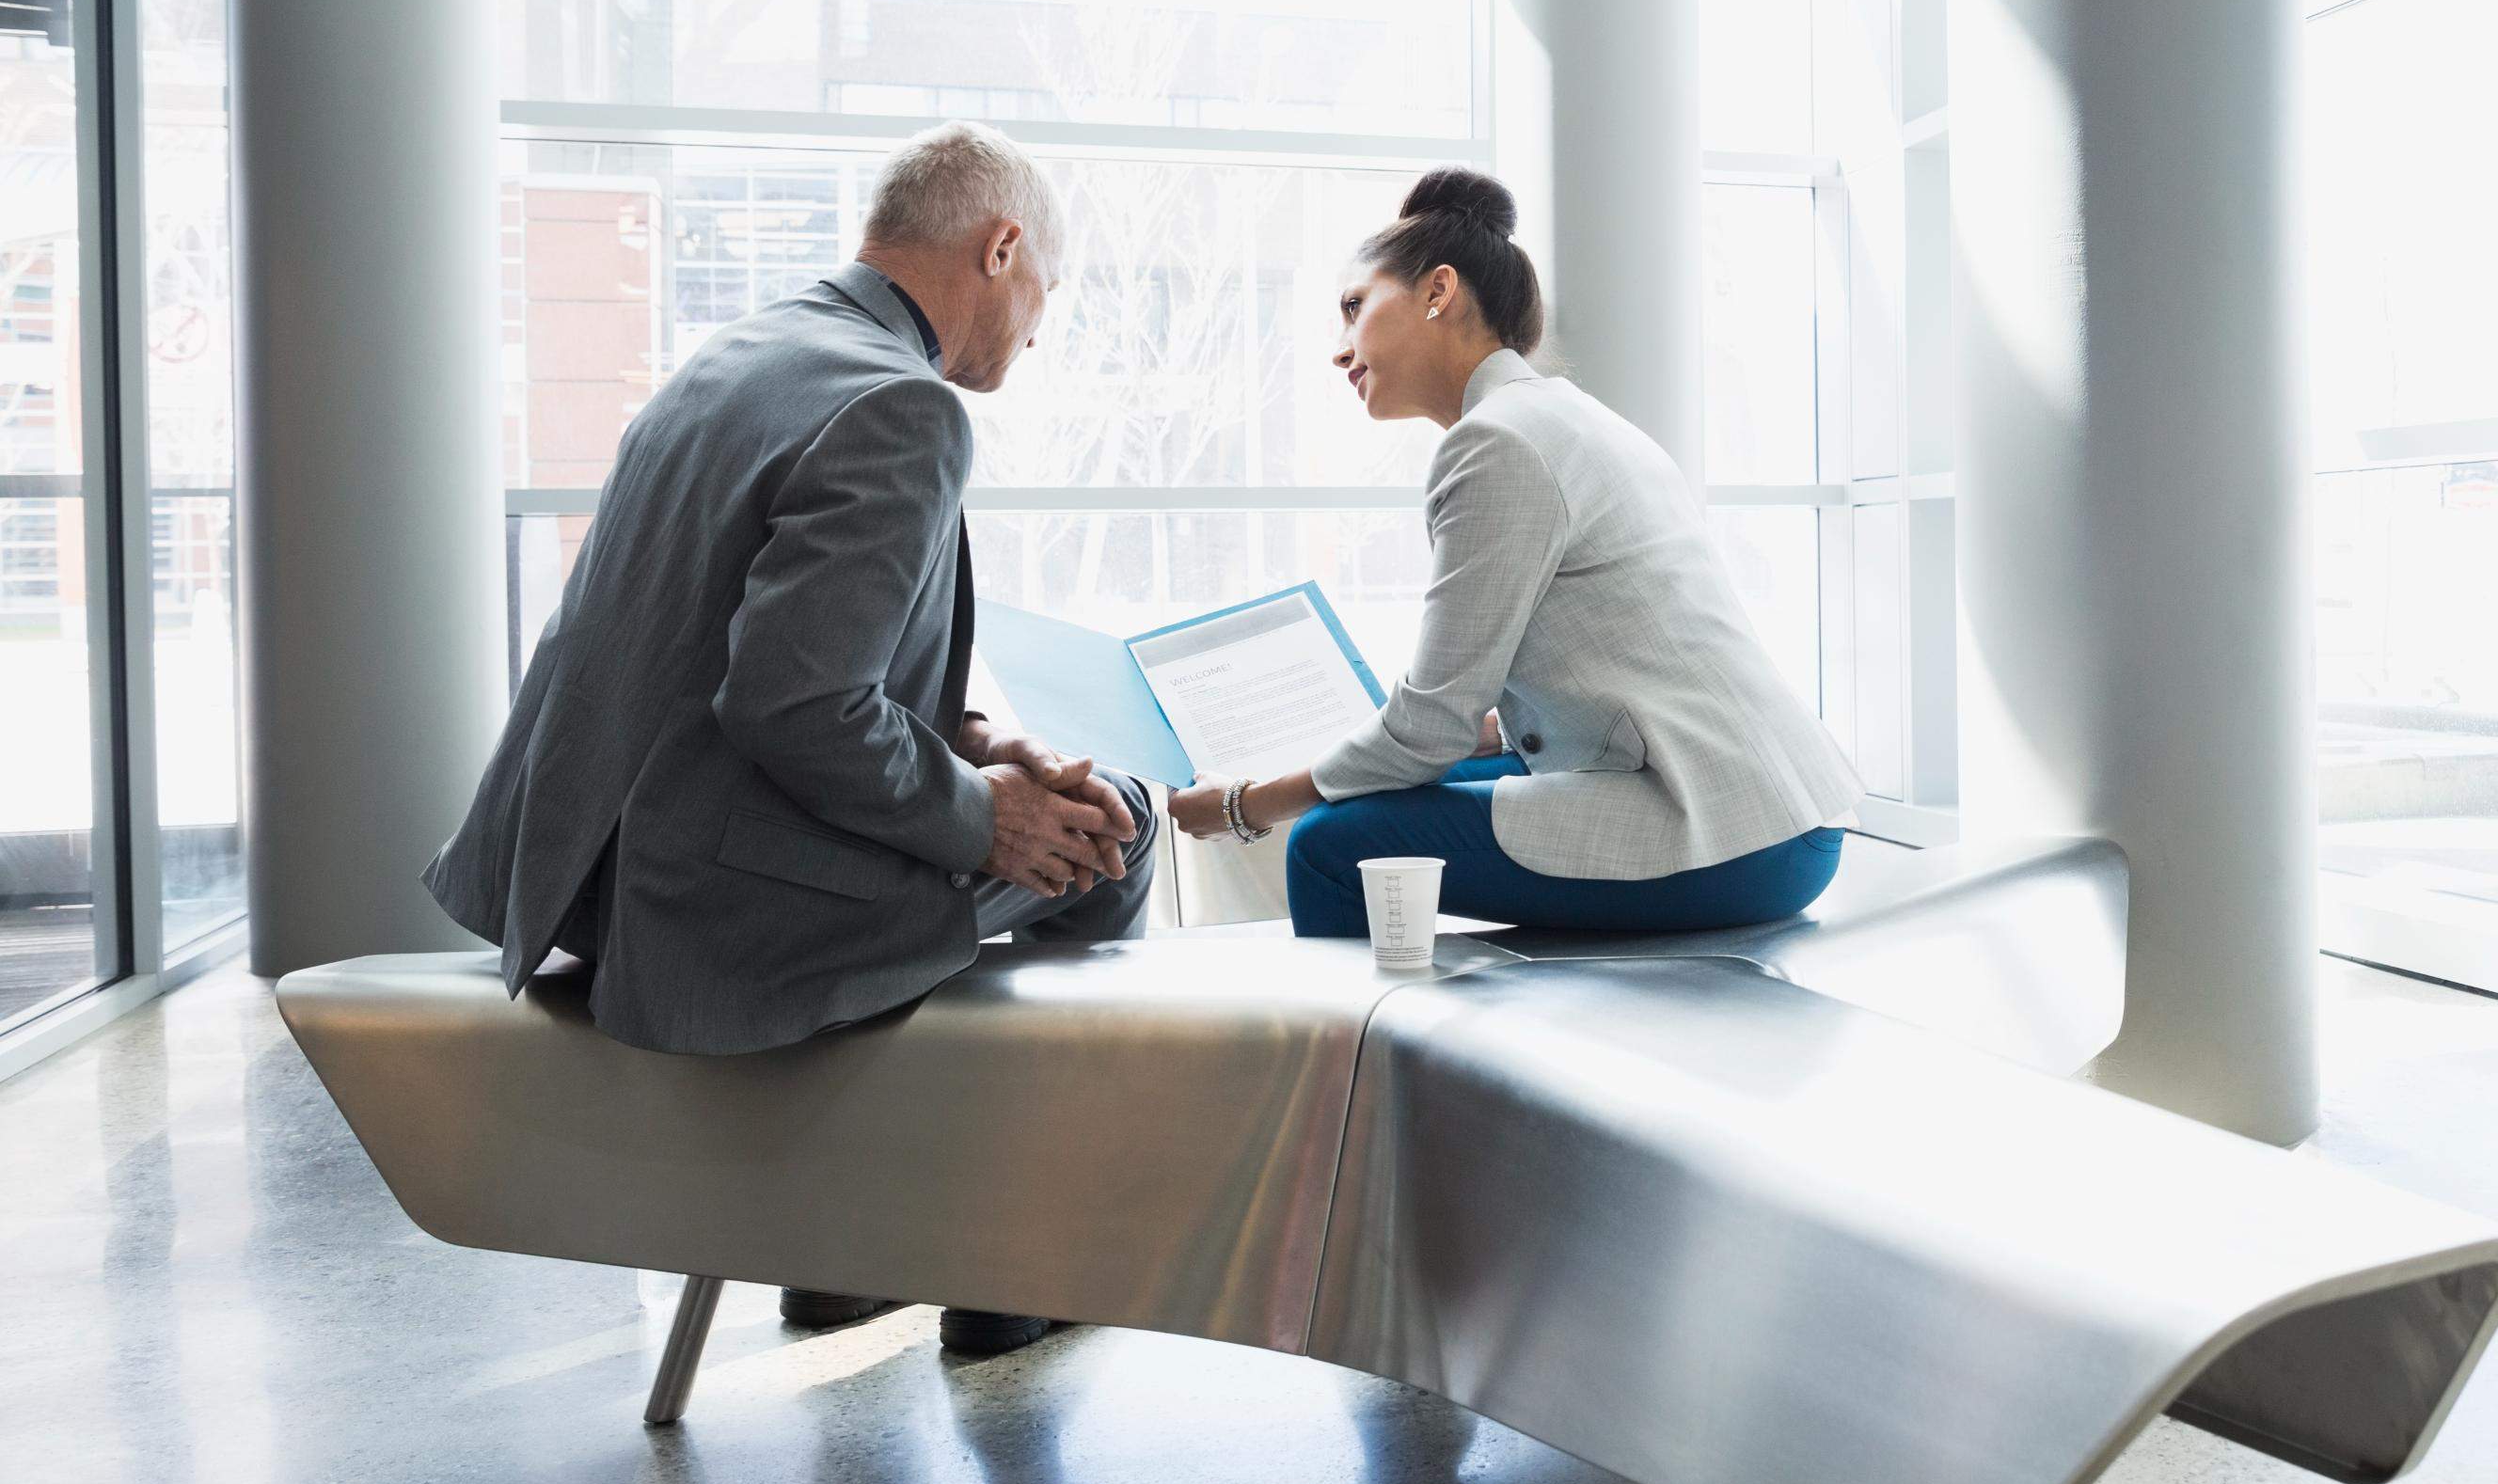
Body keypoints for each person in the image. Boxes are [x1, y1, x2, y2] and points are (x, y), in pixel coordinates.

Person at [424, 121, 1158, 1356]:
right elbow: (794, 709)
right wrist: (994, 815)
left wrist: (974, 746)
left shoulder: (745, 354)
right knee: (1115, 832)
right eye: (1048, 292)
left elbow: (739, 652)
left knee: (1026, 827)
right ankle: (1007, 1258)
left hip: (594, 874)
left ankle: (844, 1243)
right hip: (712, 907)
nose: (1041, 326)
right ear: (1003, 247)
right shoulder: (903, 407)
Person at [1177, 168, 1860, 939]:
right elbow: (1583, 669)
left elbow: (1426, 730)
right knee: (1361, 800)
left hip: (1732, 835)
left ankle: (1384, 1054)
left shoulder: (1496, 443)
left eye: (1353, 308)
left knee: (1330, 845)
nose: (1340, 351)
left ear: (1439, 291)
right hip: (1782, 805)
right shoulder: (1561, 415)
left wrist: (1243, 806)